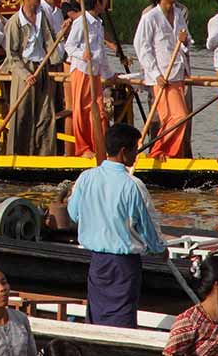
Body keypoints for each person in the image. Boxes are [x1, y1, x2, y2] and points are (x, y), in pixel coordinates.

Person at [67, 123, 162, 328]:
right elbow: (146, 227)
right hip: (123, 265)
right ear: (123, 152)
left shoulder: (86, 178)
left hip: (97, 262)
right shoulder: (132, 185)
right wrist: (159, 250)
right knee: (122, 317)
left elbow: (74, 214)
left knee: (98, 314)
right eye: (135, 149)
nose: (137, 154)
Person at [134, 0, 191, 159]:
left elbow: (186, 40)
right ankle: (159, 150)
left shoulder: (179, 14)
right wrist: (155, 73)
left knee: (174, 118)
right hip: (162, 75)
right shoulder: (150, 17)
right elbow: (141, 46)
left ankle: (167, 152)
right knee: (178, 117)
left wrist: (184, 41)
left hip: (177, 72)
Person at [1, 0, 60, 157]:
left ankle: (45, 155)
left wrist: (61, 35)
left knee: (45, 115)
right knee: (22, 115)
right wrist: (25, 74)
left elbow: (50, 42)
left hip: (41, 67)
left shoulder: (42, 18)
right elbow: (12, 56)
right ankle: (17, 155)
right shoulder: (14, 23)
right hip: (24, 70)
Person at [63, 0, 113, 159]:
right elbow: (69, 46)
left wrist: (109, 74)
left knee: (99, 111)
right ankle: (83, 148)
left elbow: (101, 52)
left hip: (96, 72)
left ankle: (99, 146)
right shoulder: (81, 22)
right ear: (96, 2)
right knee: (82, 110)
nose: (106, 2)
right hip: (82, 71)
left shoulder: (98, 23)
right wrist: (81, 54)